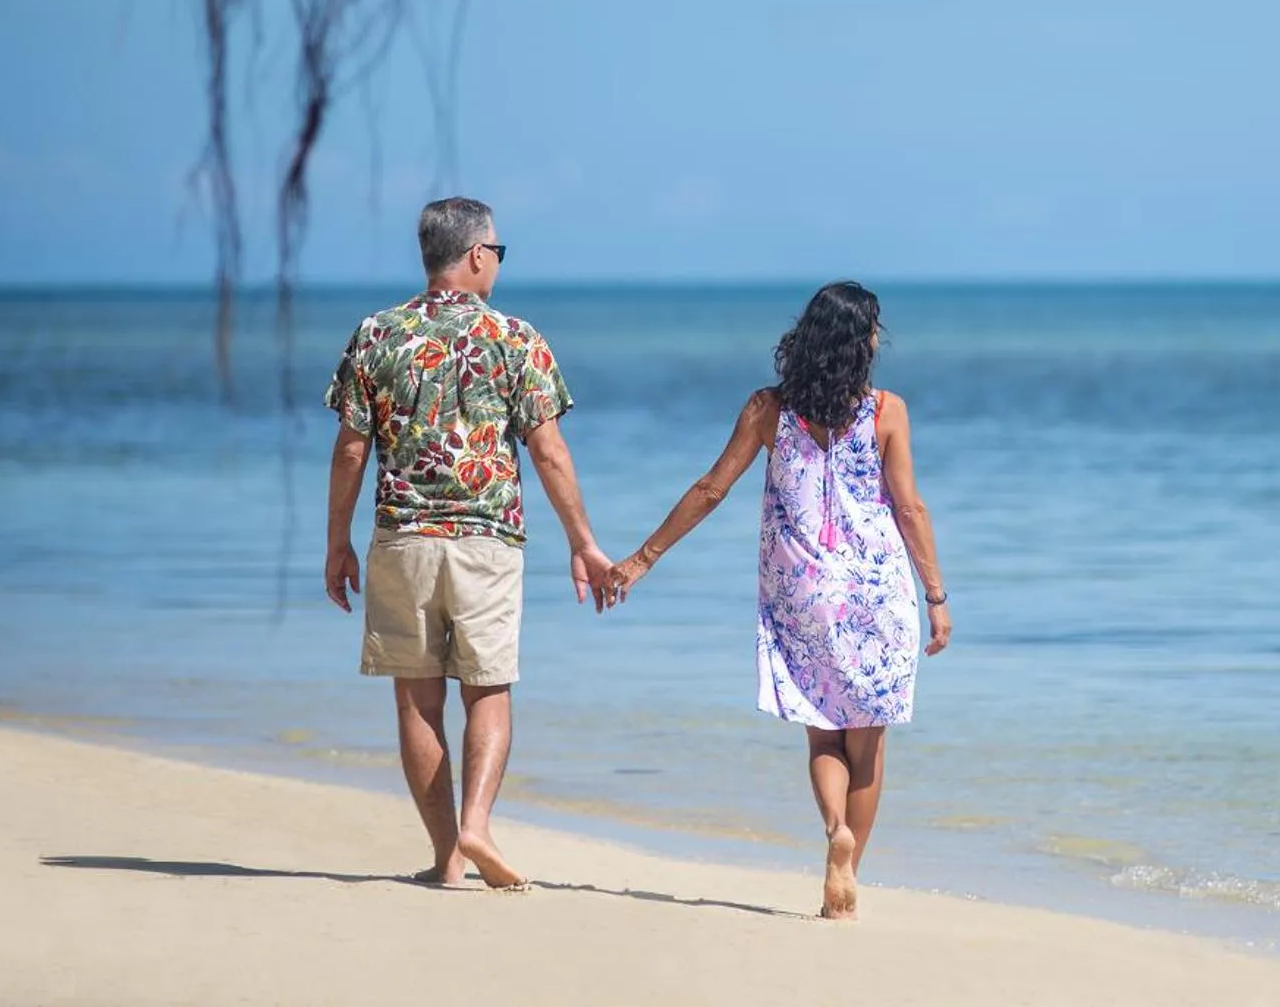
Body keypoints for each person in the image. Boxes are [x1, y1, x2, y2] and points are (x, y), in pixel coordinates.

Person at [604, 281, 951, 919]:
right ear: (861, 342)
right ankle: (847, 884)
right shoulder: (886, 411)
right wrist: (936, 595)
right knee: (867, 747)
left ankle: (832, 832)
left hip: (803, 594)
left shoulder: (769, 409)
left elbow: (711, 489)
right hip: (877, 594)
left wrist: (642, 558)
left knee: (823, 734)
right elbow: (909, 506)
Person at [322, 196, 614, 891]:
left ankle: (449, 856)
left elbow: (351, 450)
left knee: (418, 701)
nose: (498, 265)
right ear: (477, 255)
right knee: (489, 691)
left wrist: (337, 541)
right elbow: (547, 451)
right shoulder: (515, 338)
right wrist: (584, 542)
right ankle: (478, 822)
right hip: (488, 540)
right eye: (498, 253)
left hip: (402, 538)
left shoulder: (376, 334)